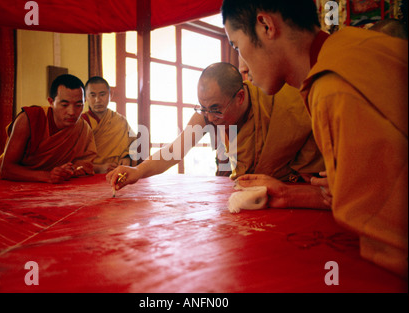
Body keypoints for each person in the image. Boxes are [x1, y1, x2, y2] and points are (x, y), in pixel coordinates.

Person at [221, 0, 407, 277]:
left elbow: (391, 240)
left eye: (236, 45)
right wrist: (288, 194)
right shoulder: (352, 45)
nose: (240, 64)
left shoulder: (332, 88)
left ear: (265, 26)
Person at [107, 62, 326, 206]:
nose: (209, 117)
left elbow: (314, 167)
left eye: (215, 109)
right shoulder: (207, 114)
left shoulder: (279, 101)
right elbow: (175, 150)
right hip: (250, 198)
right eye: (202, 108)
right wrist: (137, 171)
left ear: (240, 97)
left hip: (291, 196)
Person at [0, 74, 97, 183]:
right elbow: (7, 169)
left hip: (52, 186)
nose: (72, 112)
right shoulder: (29, 120)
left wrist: (68, 170)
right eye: (64, 105)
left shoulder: (83, 128)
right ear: (51, 102)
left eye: (79, 105)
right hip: (12, 183)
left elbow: (84, 164)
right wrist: (47, 176)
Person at [82, 76, 137, 174]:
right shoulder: (81, 122)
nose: (98, 100)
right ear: (85, 97)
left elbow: (134, 145)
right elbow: (74, 160)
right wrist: (98, 168)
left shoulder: (120, 121)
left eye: (102, 94)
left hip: (117, 174)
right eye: (92, 95)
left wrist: (127, 157)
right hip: (89, 176)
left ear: (110, 95)